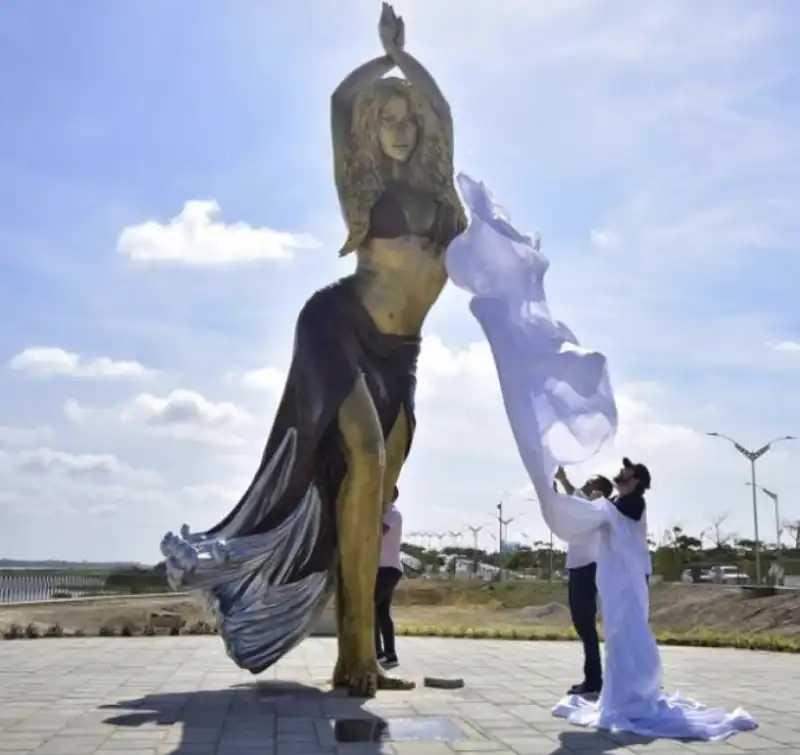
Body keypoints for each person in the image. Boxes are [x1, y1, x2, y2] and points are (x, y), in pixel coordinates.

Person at [160, 3, 466, 698]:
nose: (399, 127)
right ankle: (356, 661)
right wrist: (384, 57)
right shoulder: (365, 189)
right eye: (386, 118)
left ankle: (356, 656)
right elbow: (339, 101)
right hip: (335, 326)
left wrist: (410, 64)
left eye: (406, 118)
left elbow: (442, 109)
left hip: (401, 354)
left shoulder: (440, 194)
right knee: (366, 454)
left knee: (373, 496)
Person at [445, 173, 756, 739]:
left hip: (624, 587)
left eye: (626, 473)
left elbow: (597, 514)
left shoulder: (626, 509)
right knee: (624, 642)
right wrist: (554, 484)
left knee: (628, 640)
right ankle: (627, 691)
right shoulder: (620, 507)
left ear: (638, 482)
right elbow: (589, 512)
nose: (619, 474)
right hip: (620, 586)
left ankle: (630, 694)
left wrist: (553, 490)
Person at [554, 469, 614, 696]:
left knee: (585, 624)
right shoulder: (586, 506)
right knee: (582, 624)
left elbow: (575, 498)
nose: (586, 484)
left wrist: (562, 481)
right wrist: (561, 480)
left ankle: (594, 678)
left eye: (591, 482)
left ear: (599, 492)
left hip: (587, 569)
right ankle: (594, 676)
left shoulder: (596, 510)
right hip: (579, 567)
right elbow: (574, 495)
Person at [375, 487, 404, 668]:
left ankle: (377, 652)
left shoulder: (392, 513)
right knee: (382, 613)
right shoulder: (387, 513)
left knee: (369, 608)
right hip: (383, 569)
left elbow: (377, 534)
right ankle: (390, 654)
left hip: (389, 569)